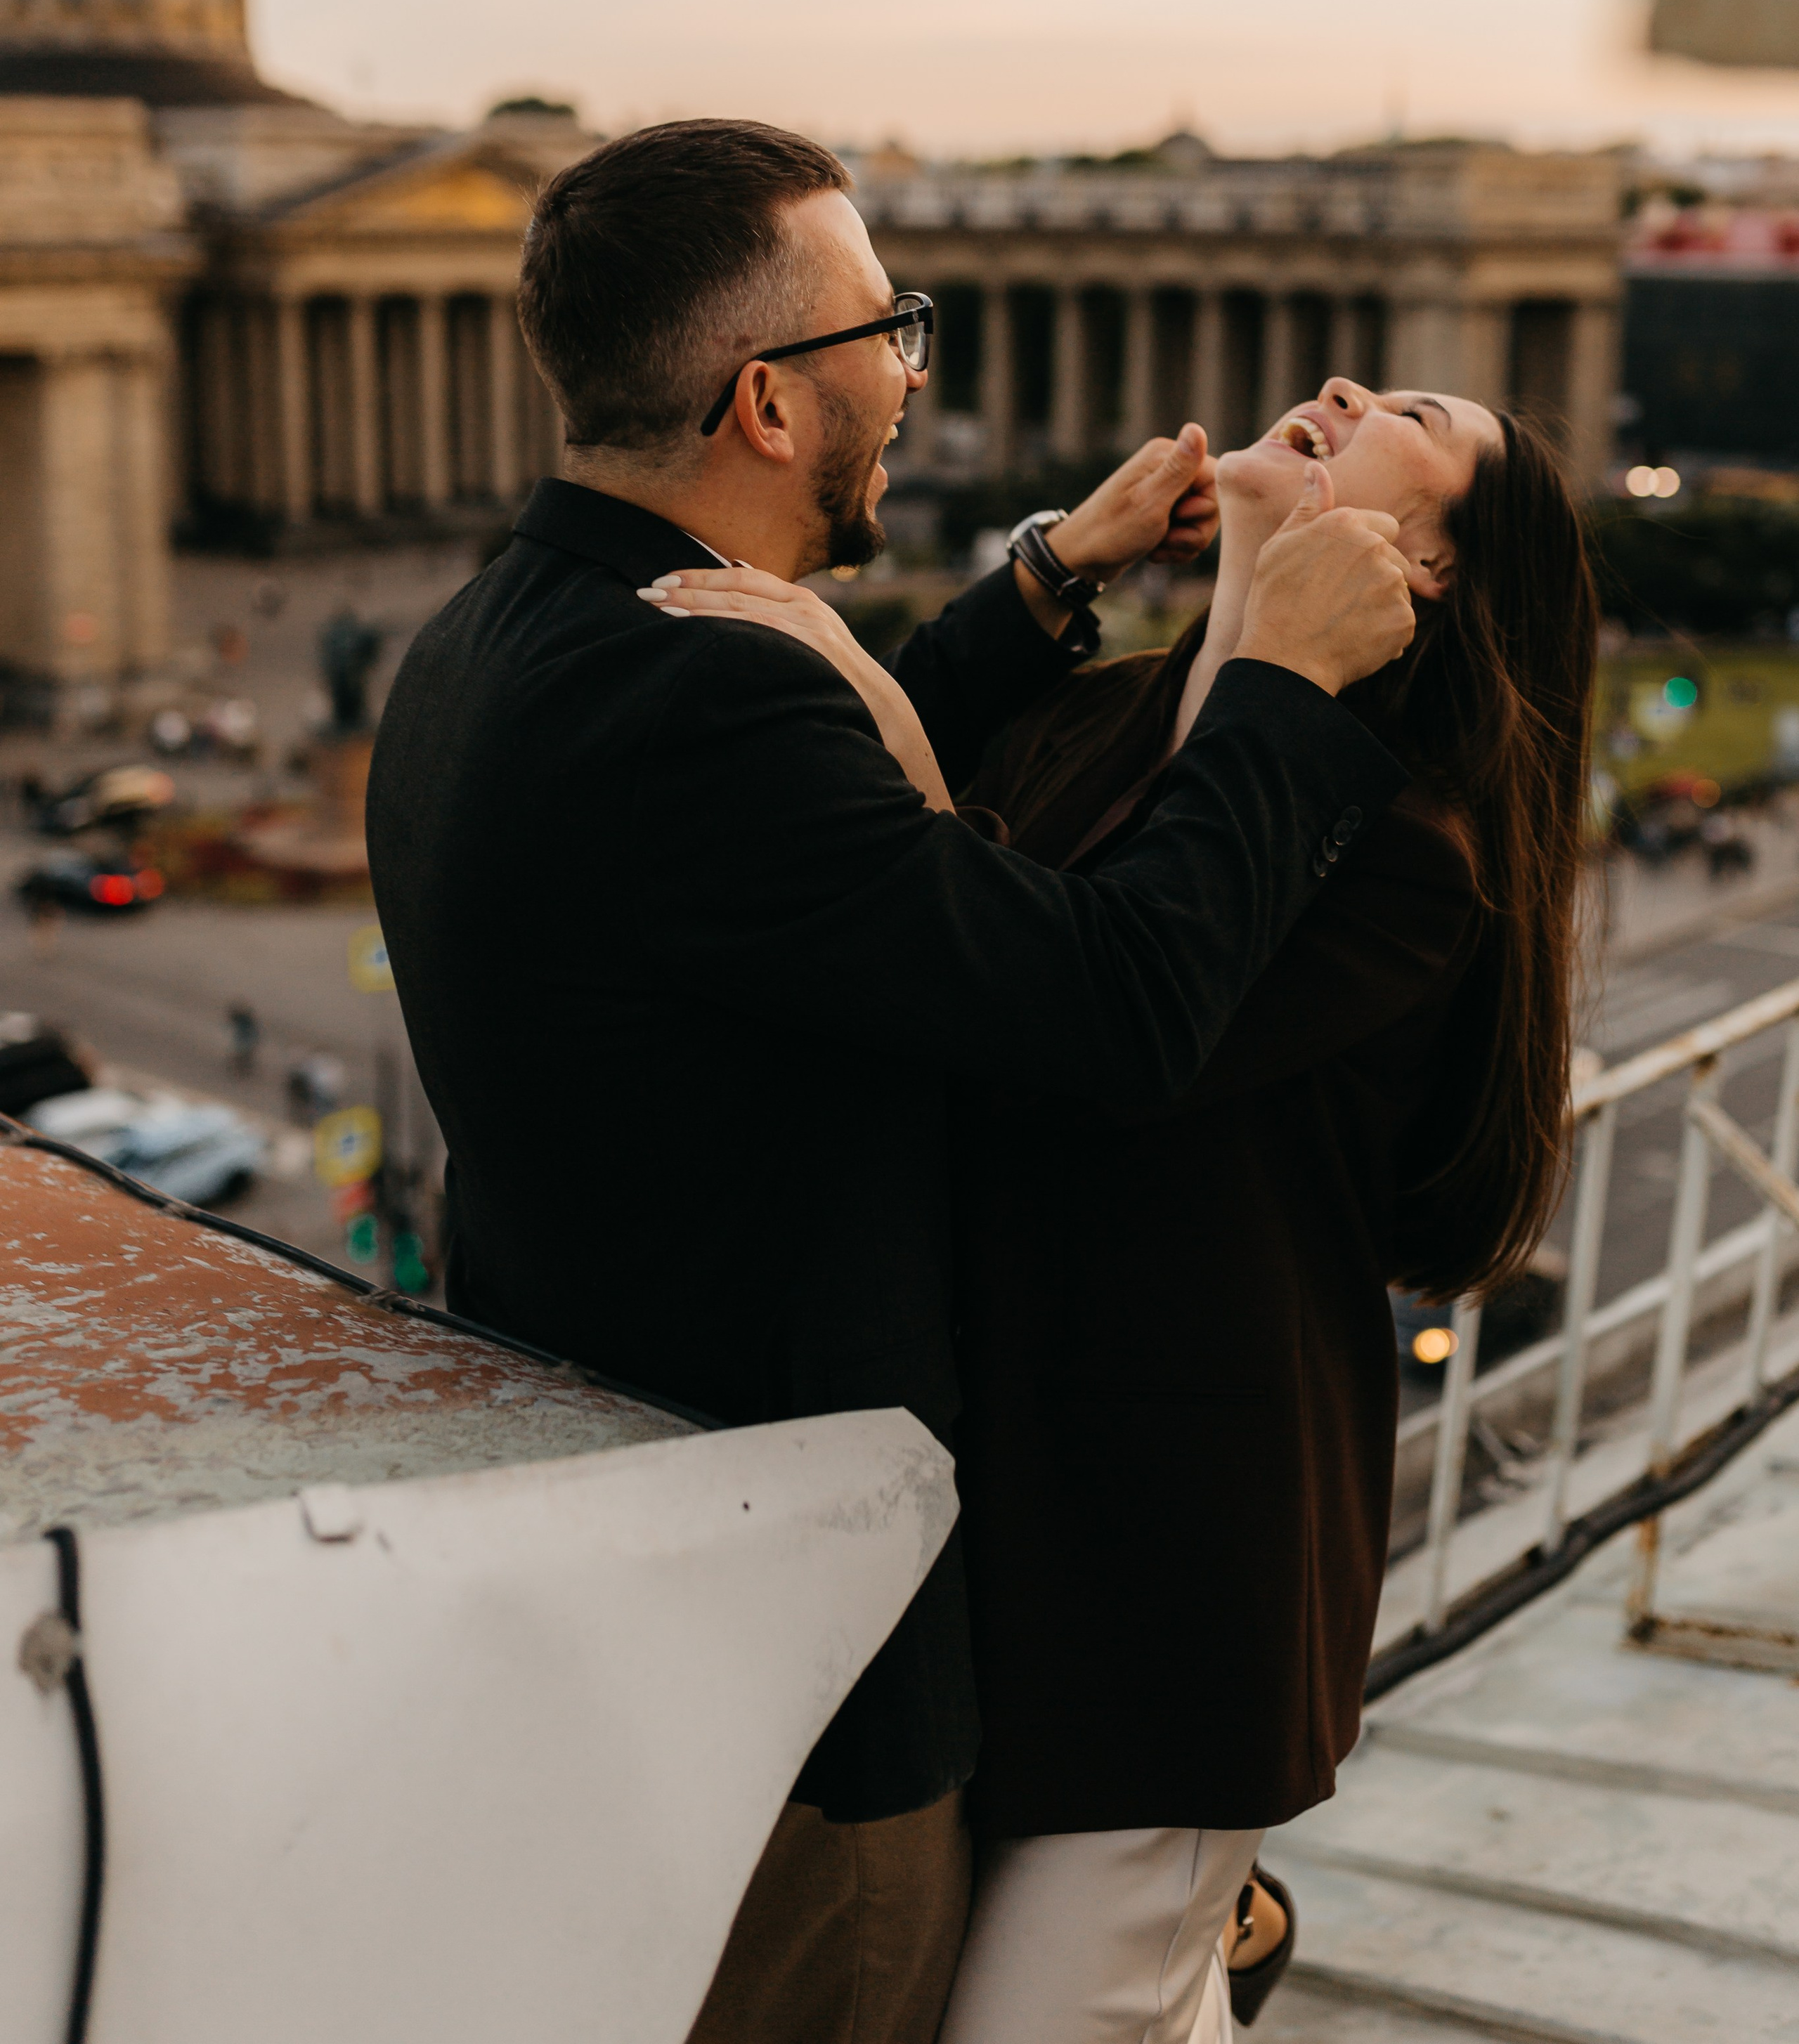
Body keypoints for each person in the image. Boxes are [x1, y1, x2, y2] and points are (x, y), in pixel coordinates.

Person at [366, 120, 1417, 2044]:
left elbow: (806, 870)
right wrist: (1282, 688)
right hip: (804, 1650)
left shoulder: (511, 634)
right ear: (769, 400)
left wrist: (1052, 580)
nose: (913, 376)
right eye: (888, 330)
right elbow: (1113, 1004)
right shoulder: (702, 700)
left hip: (632, 1556)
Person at [917, 379, 1592, 2044]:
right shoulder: (1102, 710)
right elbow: (898, 864)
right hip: (988, 1526)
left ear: (1424, 564)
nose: (1339, 387)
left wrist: (1267, 668)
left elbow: (1073, 1038)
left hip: (1162, 1578)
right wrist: (1051, 571)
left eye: (1408, 413)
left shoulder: (1404, 848)